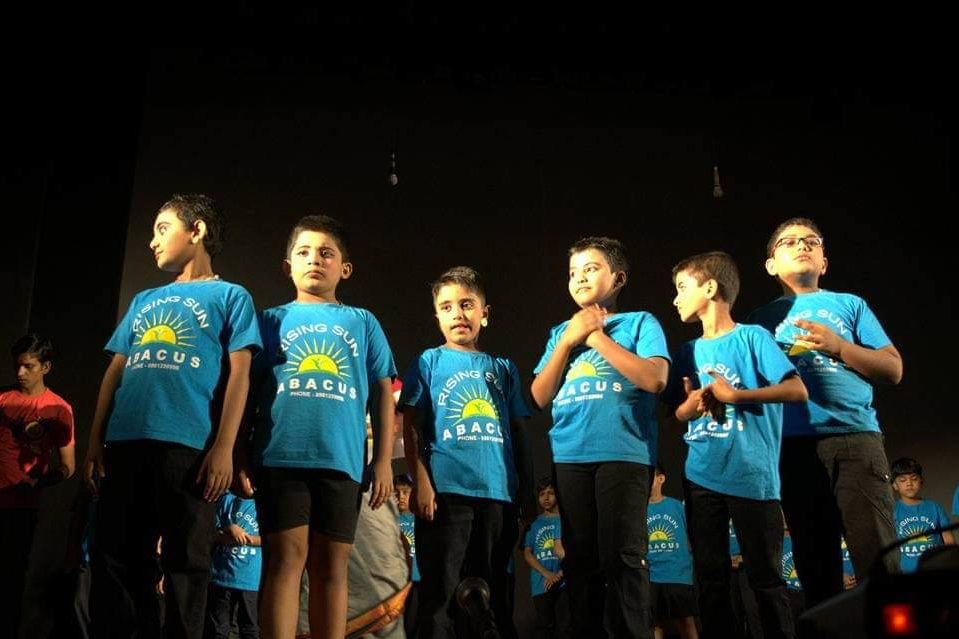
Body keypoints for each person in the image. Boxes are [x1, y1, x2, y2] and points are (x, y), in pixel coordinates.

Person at [84, 194, 261, 639]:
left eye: (163, 228)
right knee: (116, 558)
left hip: (189, 449)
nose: (152, 241)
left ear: (196, 230)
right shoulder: (144, 299)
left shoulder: (231, 296)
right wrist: (94, 441)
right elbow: (115, 372)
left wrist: (224, 447)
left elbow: (240, 374)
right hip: (125, 444)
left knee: (186, 564)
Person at [243, 214, 396, 639]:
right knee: (284, 561)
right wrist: (237, 452)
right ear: (287, 265)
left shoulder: (363, 321)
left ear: (345, 268)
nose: (315, 260)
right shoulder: (268, 320)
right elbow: (246, 391)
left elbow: (383, 391)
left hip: (342, 461)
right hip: (279, 457)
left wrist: (383, 460)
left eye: (326, 253)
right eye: (304, 252)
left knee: (332, 566)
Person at [531, 237, 669, 638]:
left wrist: (595, 337)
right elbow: (539, 395)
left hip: (623, 453)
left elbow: (655, 379)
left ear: (618, 278)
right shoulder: (561, 332)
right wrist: (570, 339)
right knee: (579, 559)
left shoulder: (640, 322)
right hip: (570, 456)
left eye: (590, 269)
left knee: (623, 556)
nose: (579, 278)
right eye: (573, 272)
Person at [669, 251, 807, 639]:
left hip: (752, 475)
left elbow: (797, 390)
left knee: (765, 579)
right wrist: (690, 407)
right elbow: (678, 412)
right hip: (701, 477)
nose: (676, 299)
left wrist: (735, 396)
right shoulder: (686, 352)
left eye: (682, 287)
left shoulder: (753, 337)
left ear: (710, 288)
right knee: (710, 580)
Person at [400, 266, 531, 639]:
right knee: (441, 595)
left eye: (467, 304)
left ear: (484, 313)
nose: (458, 313)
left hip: (498, 496)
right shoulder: (429, 361)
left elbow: (519, 433)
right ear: (437, 317)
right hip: (447, 495)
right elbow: (411, 425)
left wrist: (525, 495)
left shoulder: (503, 368)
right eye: (447, 307)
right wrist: (421, 481)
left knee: (492, 595)